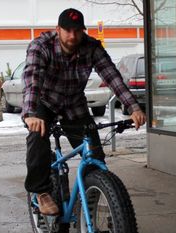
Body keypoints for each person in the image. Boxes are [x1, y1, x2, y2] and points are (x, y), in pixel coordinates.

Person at [22, 8, 146, 216]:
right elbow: (32, 80)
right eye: (68, 31)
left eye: (78, 31)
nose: (73, 36)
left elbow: (112, 77)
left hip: (74, 103)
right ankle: (41, 192)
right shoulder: (41, 46)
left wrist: (133, 107)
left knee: (94, 153)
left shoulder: (91, 47)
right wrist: (30, 114)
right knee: (37, 136)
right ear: (58, 29)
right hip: (44, 101)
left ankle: (96, 194)